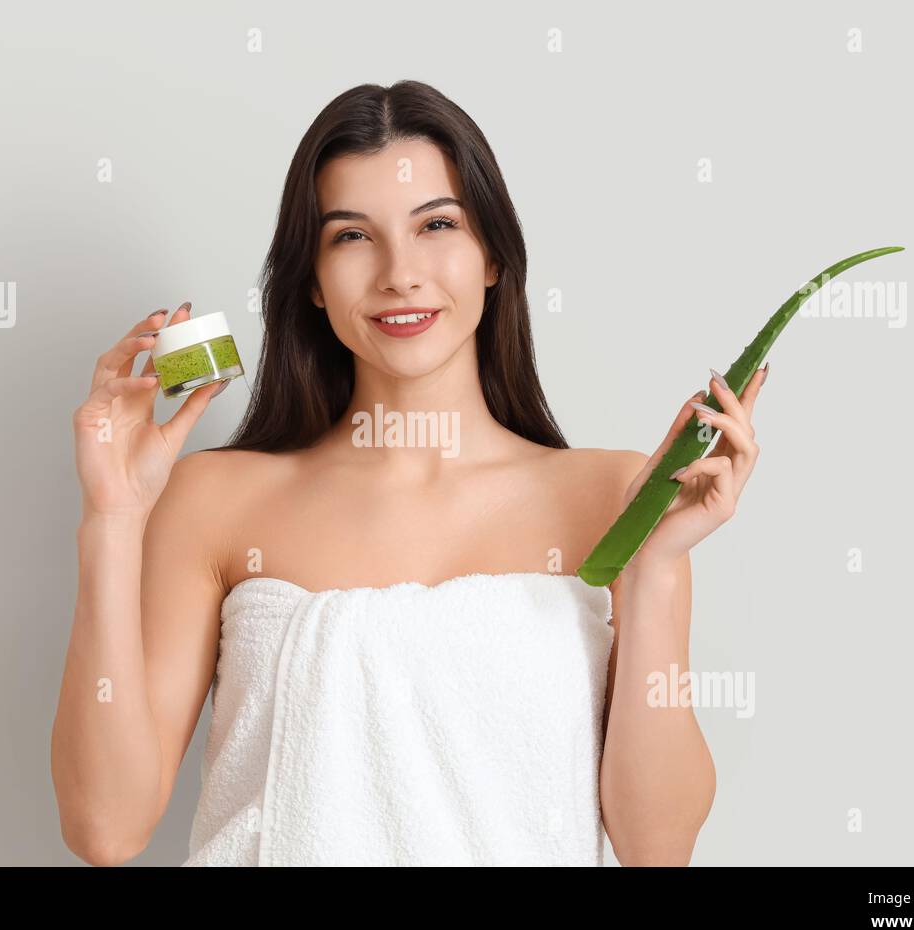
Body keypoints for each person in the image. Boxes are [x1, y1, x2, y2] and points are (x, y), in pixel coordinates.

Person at [50, 80, 765, 867]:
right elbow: (105, 830)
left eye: (438, 225)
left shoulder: (614, 498)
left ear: (493, 256)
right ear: (313, 282)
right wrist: (112, 520)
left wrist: (656, 566)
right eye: (352, 236)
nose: (400, 273)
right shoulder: (218, 500)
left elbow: (656, 846)